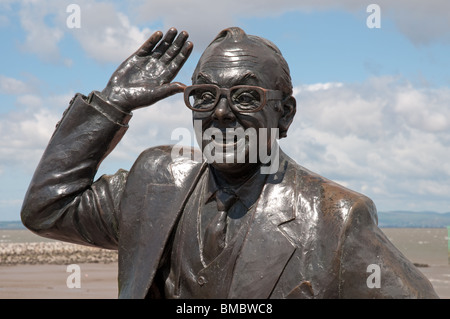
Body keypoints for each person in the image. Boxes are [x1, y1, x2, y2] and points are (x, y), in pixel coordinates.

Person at [21, 27, 438, 299]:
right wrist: (112, 103)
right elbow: (48, 208)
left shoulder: (336, 219)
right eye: (204, 96)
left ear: (285, 114)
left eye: (245, 97)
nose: (220, 114)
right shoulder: (154, 181)